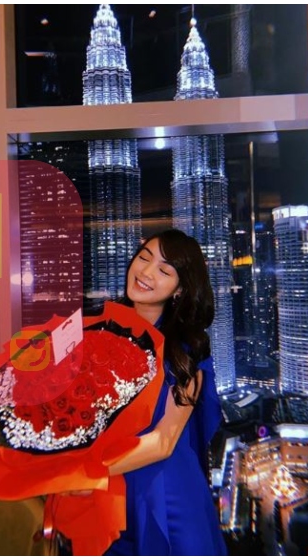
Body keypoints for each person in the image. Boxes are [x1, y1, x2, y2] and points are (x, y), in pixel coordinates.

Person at [101, 229, 227, 555]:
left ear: (179, 289)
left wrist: (82, 472)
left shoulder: (185, 351)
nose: (145, 272)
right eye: (144, 258)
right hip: (110, 492)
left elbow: (164, 441)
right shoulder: (100, 332)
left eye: (164, 270)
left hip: (167, 492)